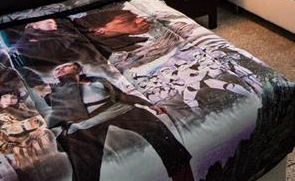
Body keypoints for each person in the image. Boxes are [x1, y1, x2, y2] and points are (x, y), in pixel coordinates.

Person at [42, 62, 194, 181]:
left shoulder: (97, 80)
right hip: (86, 124)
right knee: (84, 166)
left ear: (77, 69)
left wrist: (148, 104)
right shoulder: (56, 90)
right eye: (57, 69)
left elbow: (121, 96)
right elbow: (54, 108)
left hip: (118, 109)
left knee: (161, 134)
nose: (60, 69)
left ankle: (183, 176)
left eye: (65, 66)